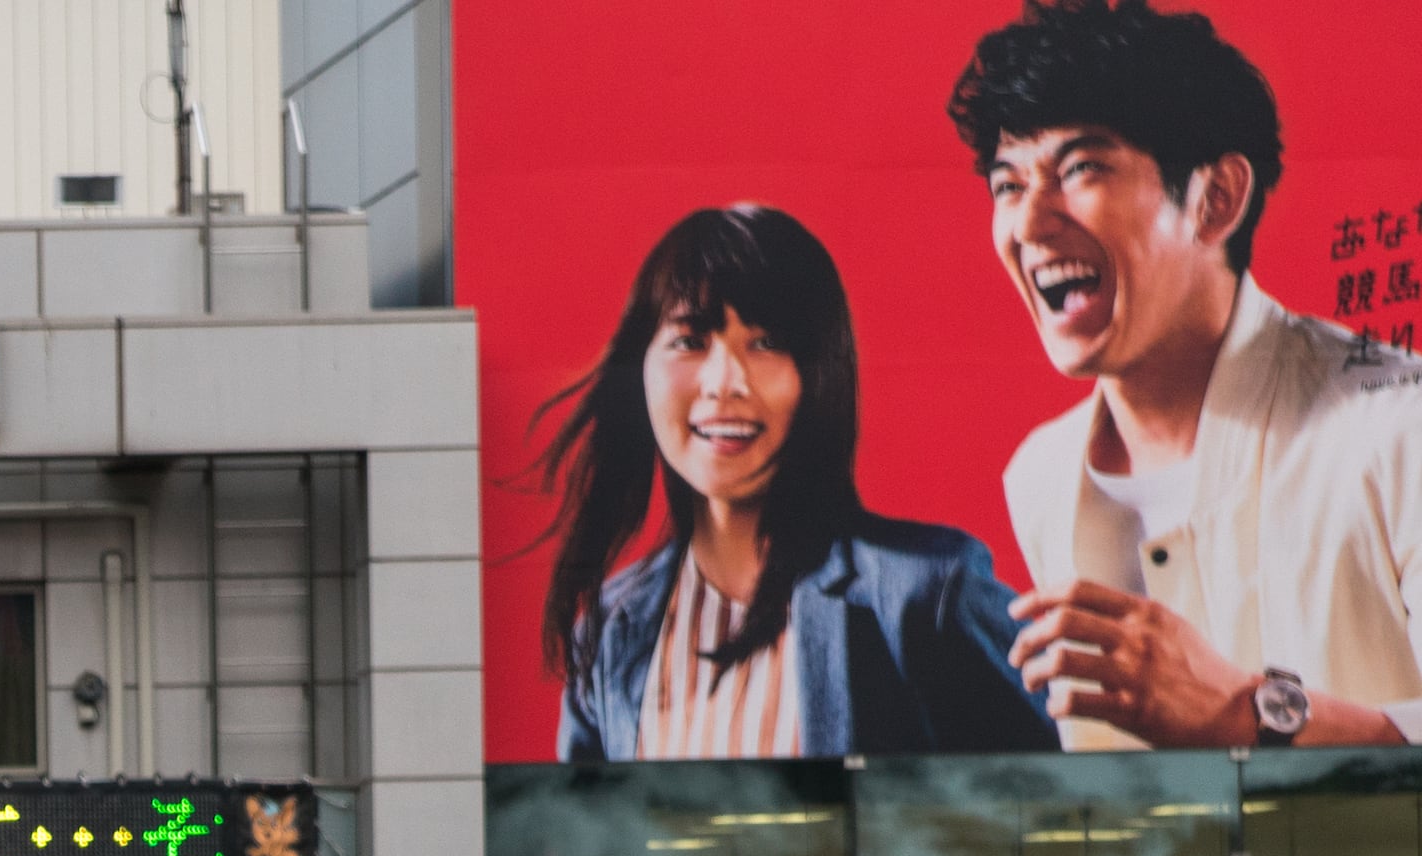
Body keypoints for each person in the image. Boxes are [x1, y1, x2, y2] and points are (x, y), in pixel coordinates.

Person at [958, 0, 1422, 753]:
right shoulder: (1040, 476)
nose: (1032, 223)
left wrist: (1248, 712)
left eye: (1081, 168)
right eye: (1008, 184)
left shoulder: (1398, 426)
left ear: (1216, 200)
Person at [537, 204, 1052, 758]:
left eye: (765, 343)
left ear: (820, 374)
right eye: (691, 340)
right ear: (641, 369)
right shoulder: (613, 630)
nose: (723, 383)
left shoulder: (924, 598)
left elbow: (1076, 799)